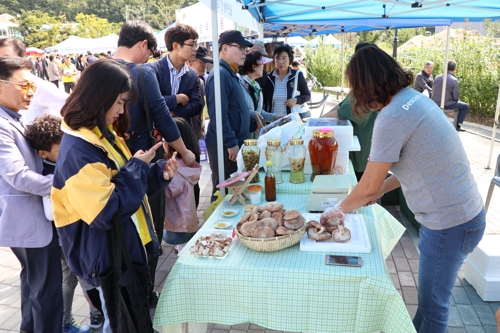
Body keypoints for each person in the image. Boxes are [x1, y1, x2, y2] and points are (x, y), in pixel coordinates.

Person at [321, 46, 485, 333]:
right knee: (428, 303)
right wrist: (380, 189)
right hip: (464, 215)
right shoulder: (413, 100)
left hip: (450, 223)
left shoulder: (392, 115)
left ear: (366, 85)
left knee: (434, 311)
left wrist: (338, 209)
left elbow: (368, 186)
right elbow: (416, 165)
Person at [52, 59, 179, 333]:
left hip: (124, 246)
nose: (122, 111)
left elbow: (121, 181)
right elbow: (104, 210)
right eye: (120, 102)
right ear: (101, 97)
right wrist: (137, 167)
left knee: (130, 318)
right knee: (119, 322)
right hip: (107, 257)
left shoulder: (101, 134)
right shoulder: (79, 148)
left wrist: (157, 173)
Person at [112, 19, 196, 306]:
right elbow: (162, 116)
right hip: (140, 161)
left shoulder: (95, 70)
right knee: (148, 226)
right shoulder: (140, 72)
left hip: (108, 162)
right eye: (150, 50)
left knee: (122, 230)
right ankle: (145, 294)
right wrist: (185, 152)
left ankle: (123, 295)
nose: (150, 57)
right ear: (143, 44)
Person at [0, 56, 64, 333]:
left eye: (32, 86)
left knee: (34, 287)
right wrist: (64, 186)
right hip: (28, 221)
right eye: (24, 85)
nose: (31, 93)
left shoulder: (13, 118)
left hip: (28, 221)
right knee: (47, 295)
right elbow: (18, 176)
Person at [25, 114, 100, 333]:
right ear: (43, 153)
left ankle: (83, 318)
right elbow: (51, 213)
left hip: (71, 238)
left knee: (77, 280)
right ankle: (77, 319)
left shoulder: (61, 162)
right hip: (66, 241)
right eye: (61, 148)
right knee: (81, 280)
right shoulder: (49, 174)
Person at [205, 30, 258, 201]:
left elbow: (234, 109)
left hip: (233, 143)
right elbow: (218, 114)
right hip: (224, 146)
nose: (244, 52)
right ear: (225, 49)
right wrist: (231, 142)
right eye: (240, 48)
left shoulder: (230, 73)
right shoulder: (220, 74)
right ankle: (216, 226)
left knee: (234, 187)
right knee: (224, 190)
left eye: (245, 49)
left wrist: (252, 117)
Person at [321, 42, 379, 181]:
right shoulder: (368, 87)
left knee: (363, 188)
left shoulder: (365, 91)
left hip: (363, 151)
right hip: (368, 148)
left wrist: (315, 122)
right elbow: (340, 107)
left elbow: (338, 114)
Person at [146, 23, 203, 138]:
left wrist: (174, 114)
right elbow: (148, 102)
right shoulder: (152, 70)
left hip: (182, 135)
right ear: (176, 46)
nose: (195, 49)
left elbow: (197, 105)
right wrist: (176, 99)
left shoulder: (192, 75)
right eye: (192, 45)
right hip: (156, 136)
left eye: (196, 44)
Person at [0, 38, 68, 125]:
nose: (2, 63)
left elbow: (77, 110)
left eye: (6, 58)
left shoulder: (40, 86)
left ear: (23, 59)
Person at [163, 117, 202, 253]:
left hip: (178, 220)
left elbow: (168, 191)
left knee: (184, 252)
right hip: (188, 216)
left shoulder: (175, 168)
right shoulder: (189, 163)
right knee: (187, 247)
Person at [237, 50, 278, 137]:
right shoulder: (239, 85)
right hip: (243, 138)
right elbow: (237, 112)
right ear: (254, 66)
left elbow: (259, 113)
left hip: (254, 138)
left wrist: (275, 117)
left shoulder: (256, 86)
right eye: (262, 64)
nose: (263, 67)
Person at [265, 44, 310, 117]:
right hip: (274, 120)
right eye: (277, 58)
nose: (280, 61)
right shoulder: (269, 78)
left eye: (283, 58)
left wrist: (296, 100)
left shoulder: (297, 75)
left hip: (292, 120)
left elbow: (307, 96)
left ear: (290, 59)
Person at [431, 60, 469, 132]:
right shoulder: (454, 80)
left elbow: (433, 89)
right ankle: (457, 125)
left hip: (435, 102)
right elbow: (456, 96)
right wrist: (456, 100)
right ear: (455, 69)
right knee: (465, 106)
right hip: (447, 103)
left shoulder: (437, 77)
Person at [187, 45, 213, 140]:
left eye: (205, 63)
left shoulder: (203, 81)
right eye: (202, 62)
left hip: (198, 133)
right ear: (190, 62)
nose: (204, 66)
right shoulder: (184, 82)